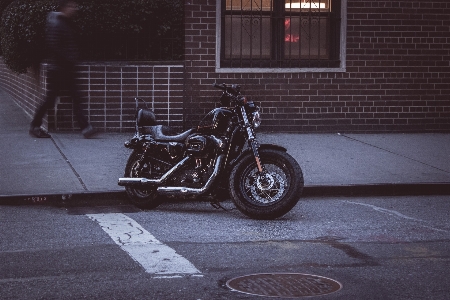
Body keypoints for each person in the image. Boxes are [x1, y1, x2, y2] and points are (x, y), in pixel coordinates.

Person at [29, 0, 96, 138]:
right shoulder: (58, 23)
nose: (75, 8)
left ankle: (85, 127)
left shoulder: (62, 22)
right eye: (72, 6)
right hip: (59, 69)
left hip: (63, 68)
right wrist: (70, 60)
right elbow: (55, 46)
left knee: (74, 97)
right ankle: (35, 126)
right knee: (52, 99)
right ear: (64, 7)